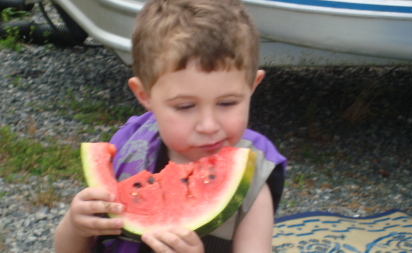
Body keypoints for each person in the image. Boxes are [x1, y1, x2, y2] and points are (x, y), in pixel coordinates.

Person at [54, 0, 286, 252]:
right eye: (185, 107)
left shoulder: (251, 184)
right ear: (144, 95)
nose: (208, 126)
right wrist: (75, 228)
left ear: (253, 86)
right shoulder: (127, 146)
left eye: (227, 103)